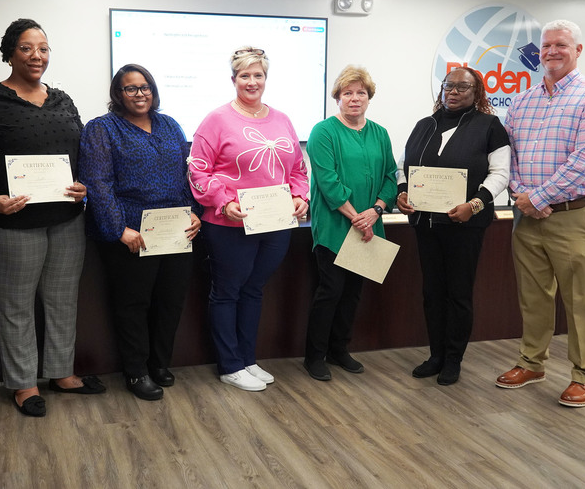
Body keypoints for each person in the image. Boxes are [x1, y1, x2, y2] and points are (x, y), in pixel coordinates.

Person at [0, 19, 103, 417]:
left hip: (66, 218)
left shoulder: (62, 100)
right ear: (9, 53)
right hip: (12, 223)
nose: (36, 56)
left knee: (62, 300)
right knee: (17, 305)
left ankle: (61, 372)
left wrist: (82, 184)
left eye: (43, 48)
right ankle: (24, 383)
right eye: (27, 48)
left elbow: (79, 157)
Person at [495, 20, 585, 407]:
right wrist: (520, 193)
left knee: (580, 299)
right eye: (546, 45)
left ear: (578, 50)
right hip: (527, 213)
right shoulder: (522, 100)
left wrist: (540, 196)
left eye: (561, 45)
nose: (551, 51)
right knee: (533, 296)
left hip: (573, 213)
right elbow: (508, 153)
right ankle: (532, 362)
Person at [188, 47, 309, 391]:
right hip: (229, 225)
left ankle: (247, 359)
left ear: (265, 79)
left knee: (254, 290)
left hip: (275, 225)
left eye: (258, 75)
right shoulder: (216, 119)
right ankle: (230, 365)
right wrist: (223, 203)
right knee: (227, 292)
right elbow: (197, 170)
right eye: (245, 75)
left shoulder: (282, 118)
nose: (252, 81)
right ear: (233, 80)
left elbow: (298, 168)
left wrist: (301, 196)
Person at [79, 64, 201, 401]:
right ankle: (136, 373)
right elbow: (98, 185)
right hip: (132, 233)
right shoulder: (101, 129)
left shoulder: (170, 125)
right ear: (118, 94)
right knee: (133, 305)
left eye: (145, 87)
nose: (140, 93)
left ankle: (159, 364)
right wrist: (120, 230)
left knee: (170, 301)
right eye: (131, 88)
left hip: (176, 230)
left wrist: (195, 215)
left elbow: (186, 175)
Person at [396, 66, 510, 385]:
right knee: (433, 292)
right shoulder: (424, 125)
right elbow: (402, 167)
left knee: (458, 293)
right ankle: (435, 354)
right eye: (449, 86)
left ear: (477, 94)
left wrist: (473, 205)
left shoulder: (490, 126)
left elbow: (501, 174)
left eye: (463, 87)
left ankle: (453, 358)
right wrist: (402, 191)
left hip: (465, 226)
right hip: (426, 224)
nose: (454, 92)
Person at [303, 65, 397, 381]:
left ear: (369, 97)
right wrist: (358, 217)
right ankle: (314, 356)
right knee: (330, 290)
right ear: (338, 97)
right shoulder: (323, 131)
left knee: (353, 292)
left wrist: (377, 210)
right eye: (347, 93)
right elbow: (328, 182)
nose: (354, 99)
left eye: (360, 93)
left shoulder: (380, 133)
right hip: (335, 226)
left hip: (370, 225)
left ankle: (339, 350)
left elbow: (390, 177)